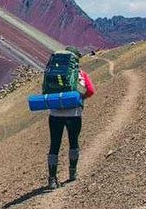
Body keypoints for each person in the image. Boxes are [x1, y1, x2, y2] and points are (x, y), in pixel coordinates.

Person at [47, 46, 95, 190]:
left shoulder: (54, 72)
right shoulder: (80, 74)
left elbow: (46, 90)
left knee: (54, 145)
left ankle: (52, 179)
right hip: (74, 114)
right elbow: (91, 91)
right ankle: (72, 173)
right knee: (73, 142)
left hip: (55, 114)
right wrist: (79, 98)